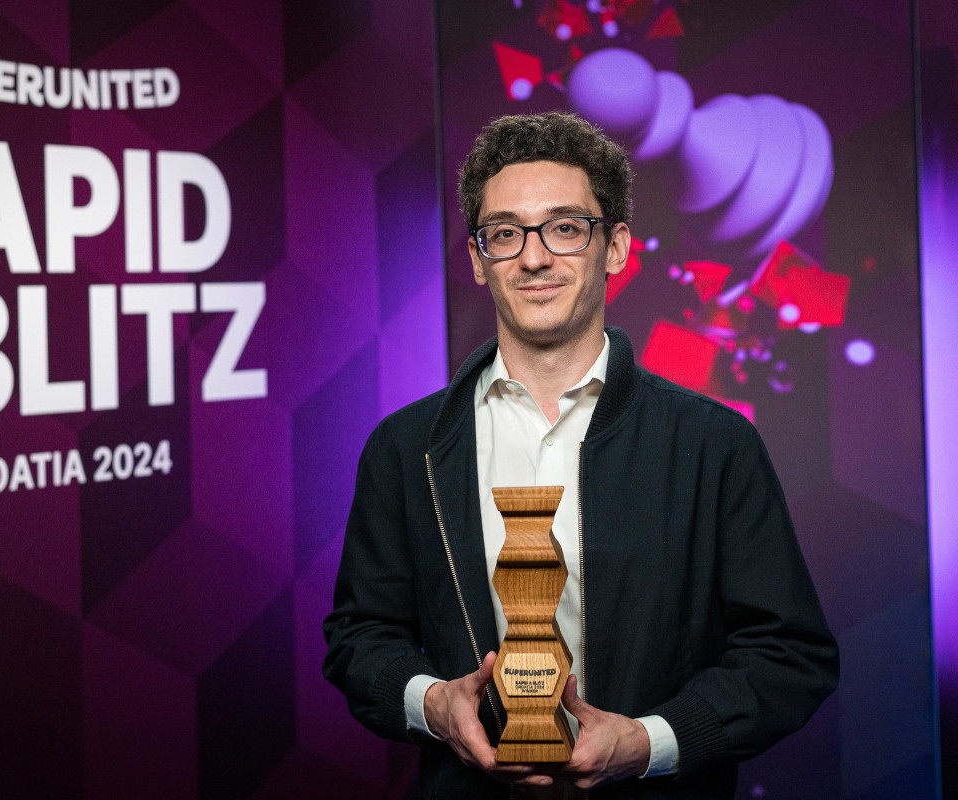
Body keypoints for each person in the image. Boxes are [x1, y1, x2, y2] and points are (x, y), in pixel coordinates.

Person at [321, 111, 839, 799]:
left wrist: (647, 741)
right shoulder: (404, 448)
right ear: (477, 257)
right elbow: (360, 637)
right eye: (505, 233)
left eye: (565, 228)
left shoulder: (714, 443)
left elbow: (788, 655)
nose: (534, 258)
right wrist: (433, 704)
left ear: (615, 247)